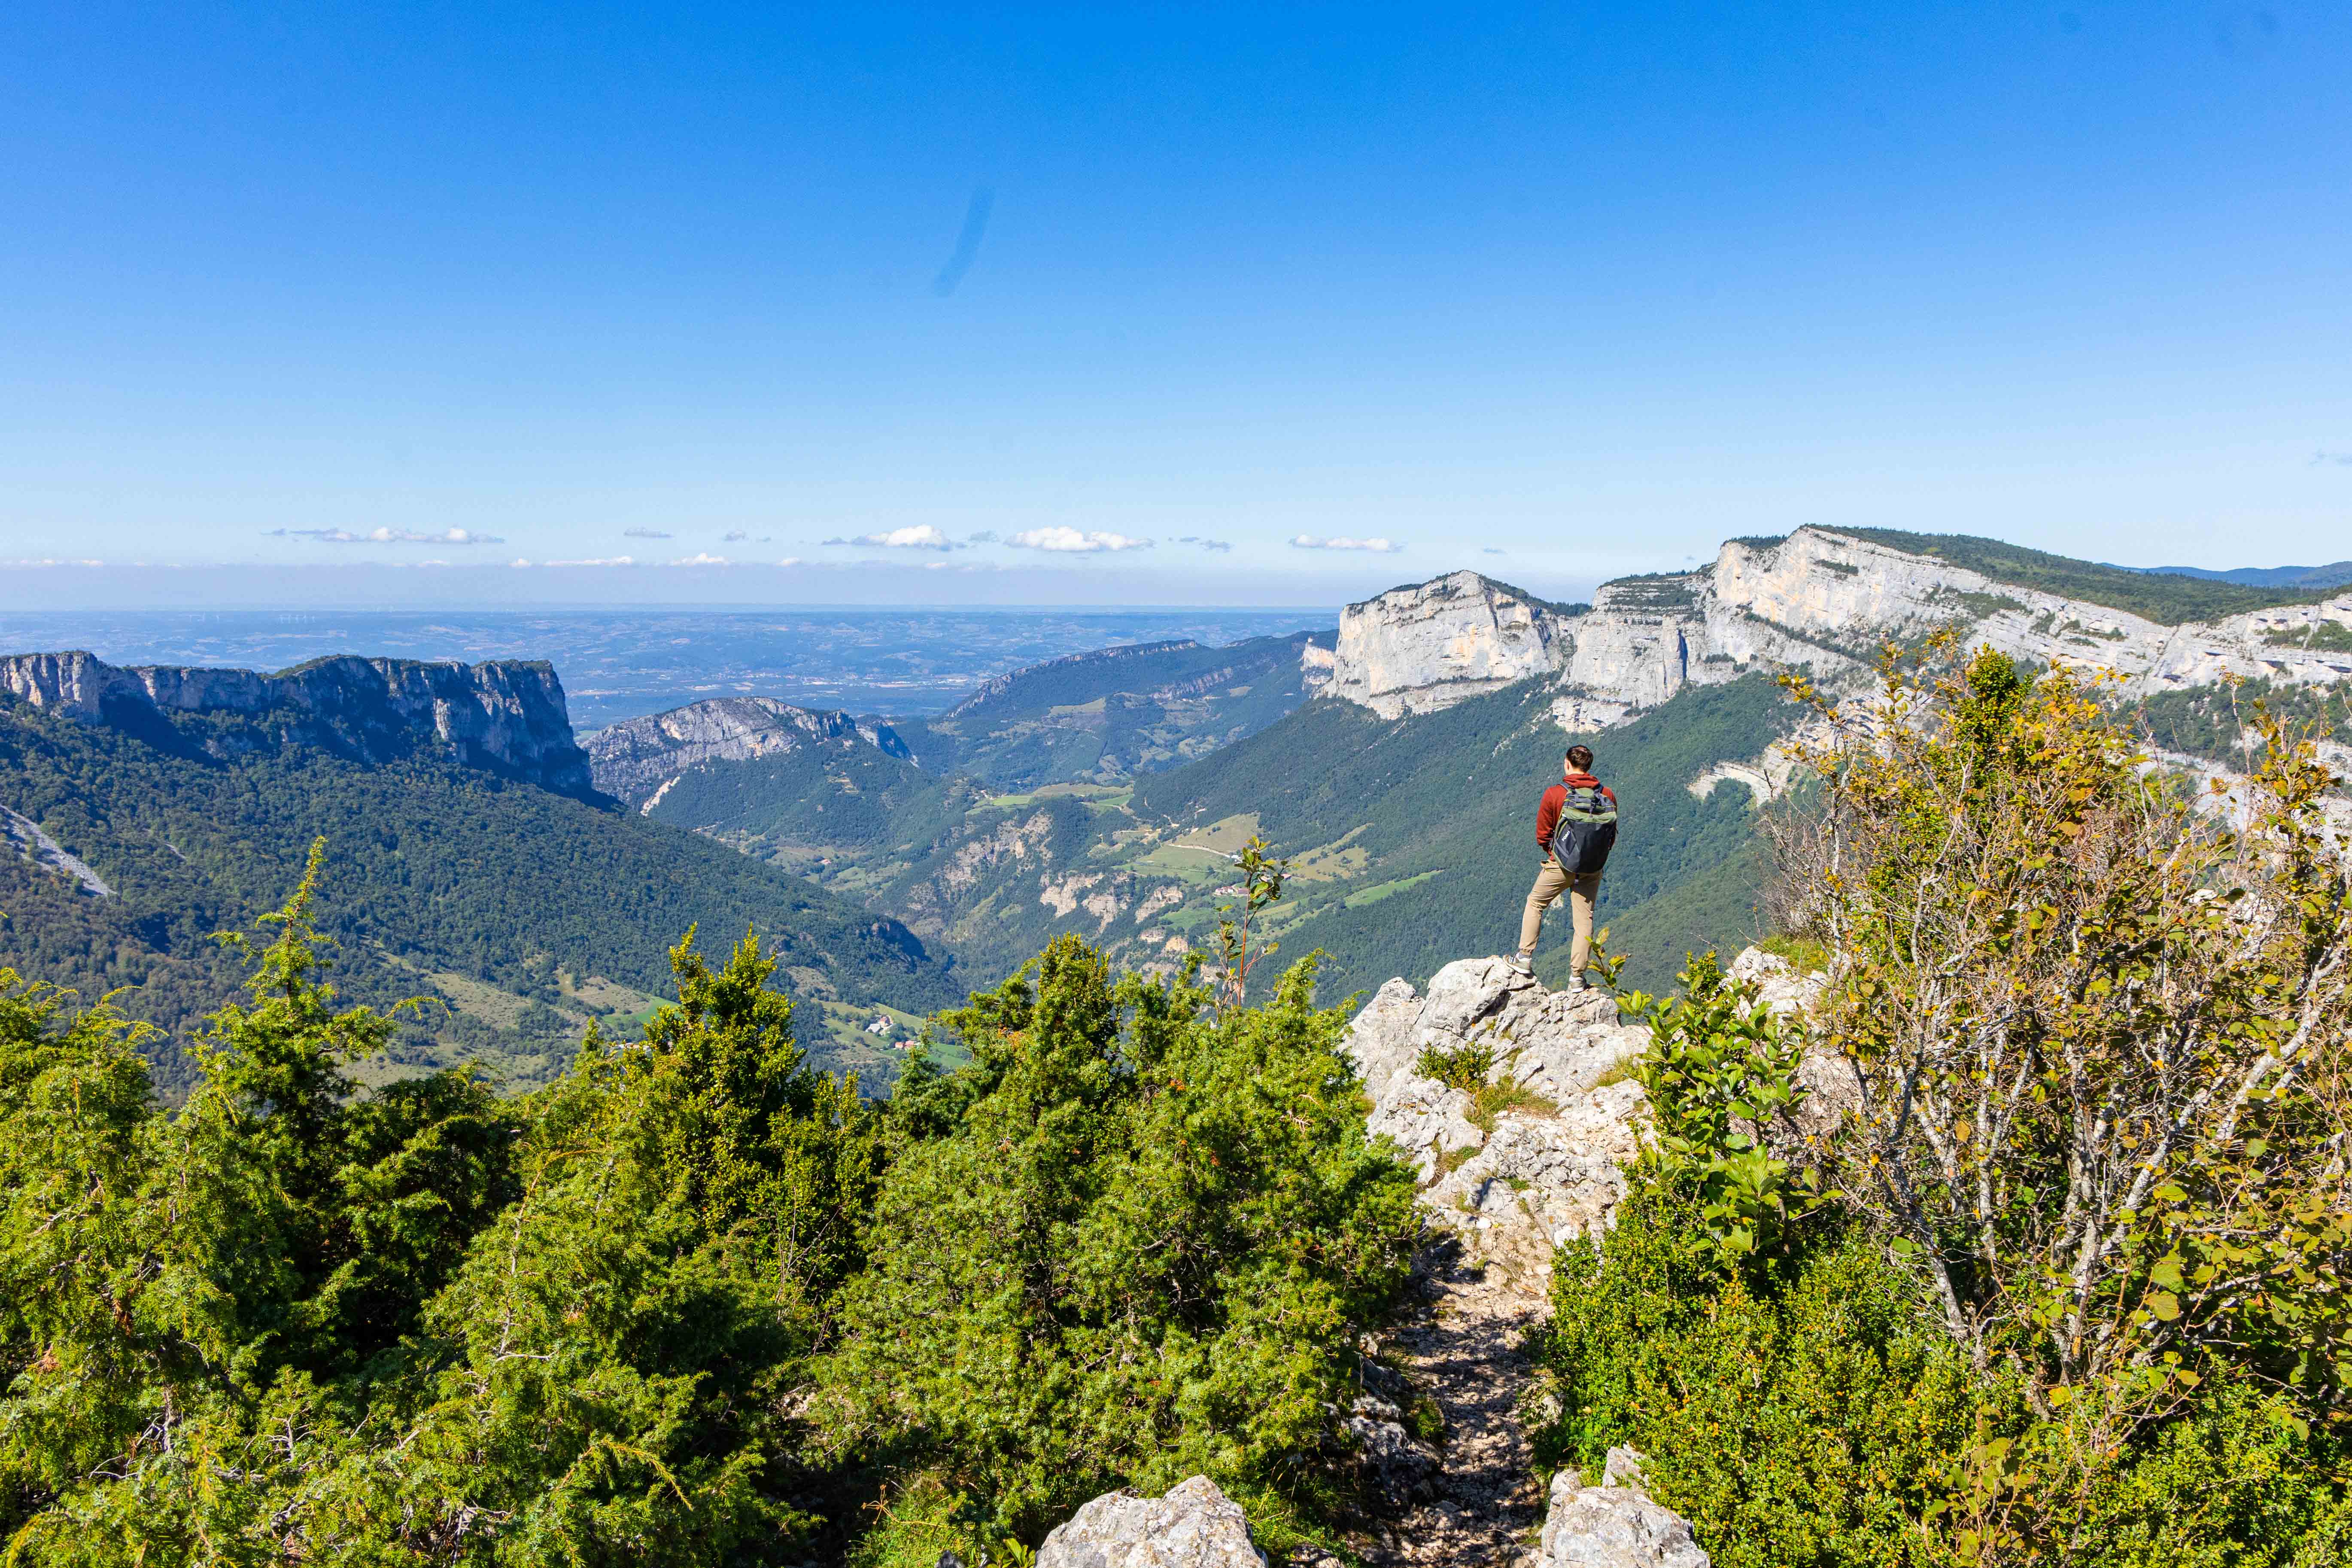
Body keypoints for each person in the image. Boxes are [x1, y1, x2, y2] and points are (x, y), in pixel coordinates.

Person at [1511, 743, 1618, 988]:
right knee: (1584, 921)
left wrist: (1557, 854)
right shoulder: (1608, 795)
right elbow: (1611, 835)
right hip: (1593, 868)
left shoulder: (1555, 793)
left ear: (1567, 764)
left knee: (1536, 903)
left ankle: (1524, 958)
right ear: (1589, 766)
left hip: (1560, 865)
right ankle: (1577, 978)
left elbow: (1543, 834)